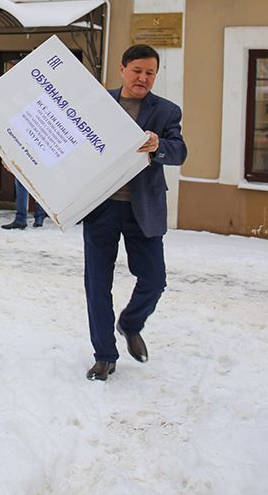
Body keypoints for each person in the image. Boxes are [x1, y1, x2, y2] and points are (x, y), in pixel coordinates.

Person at [82, 44, 187, 381]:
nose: (143, 78)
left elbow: (179, 152)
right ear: (122, 69)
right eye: (138, 70)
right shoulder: (98, 105)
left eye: (150, 73)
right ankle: (104, 355)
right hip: (102, 207)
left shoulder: (167, 111)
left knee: (154, 280)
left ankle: (130, 323)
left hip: (144, 207)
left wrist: (160, 146)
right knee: (98, 284)